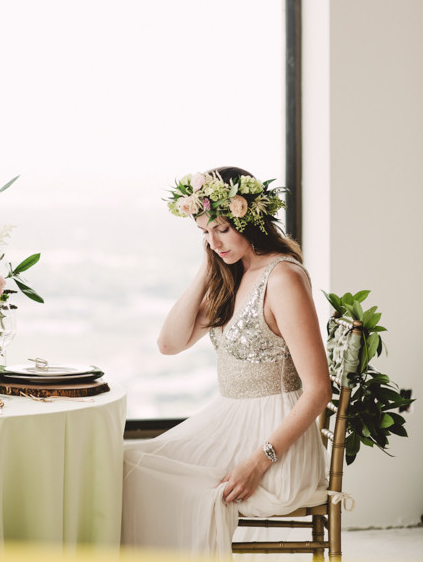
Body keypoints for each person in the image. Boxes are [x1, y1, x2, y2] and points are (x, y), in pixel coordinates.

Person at [122, 167, 332, 556]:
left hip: (275, 443)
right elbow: (169, 343)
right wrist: (207, 268)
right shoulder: (231, 275)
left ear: (250, 220)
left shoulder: (282, 278)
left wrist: (260, 460)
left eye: (221, 229)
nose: (213, 241)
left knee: (139, 474)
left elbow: (319, 390)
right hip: (231, 421)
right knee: (128, 464)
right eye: (204, 233)